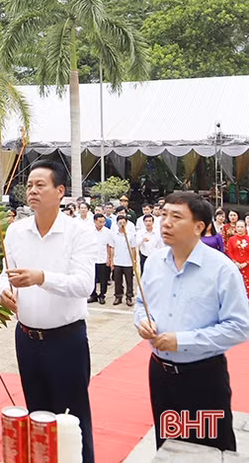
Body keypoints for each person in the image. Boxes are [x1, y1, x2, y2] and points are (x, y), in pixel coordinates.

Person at [0, 160, 96, 463]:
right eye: (29, 185)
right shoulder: (15, 231)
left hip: (65, 340)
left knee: (71, 418)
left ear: (60, 191)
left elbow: (84, 285)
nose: (33, 191)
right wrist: (5, 290)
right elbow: (7, 271)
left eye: (41, 185)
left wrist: (42, 278)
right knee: (36, 413)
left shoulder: (78, 232)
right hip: (27, 338)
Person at [136, 192, 249, 452]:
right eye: (163, 214)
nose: (165, 222)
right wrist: (143, 322)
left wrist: (182, 341)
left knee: (208, 449)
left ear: (199, 227)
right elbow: (143, 304)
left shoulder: (222, 269)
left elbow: (240, 326)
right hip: (161, 373)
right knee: (168, 447)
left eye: (176, 217)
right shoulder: (153, 263)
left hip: (203, 376)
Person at [111, 215, 137, 307]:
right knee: (117, 281)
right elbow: (112, 248)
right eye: (120, 223)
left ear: (126, 223)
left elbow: (133, 249)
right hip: (117, 261)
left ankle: (129, 297)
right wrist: (111, 261)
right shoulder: (114, 235)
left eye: (123, 223)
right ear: (117, 223)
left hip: (128, 262)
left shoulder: (130, 235)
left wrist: (134, 261)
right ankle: (118, 296)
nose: (122, 224)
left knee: (129, 281)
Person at [88, 213, 114, 305]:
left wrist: (109, 259)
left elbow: (109, 246)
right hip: (92, 259)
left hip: (103, 259)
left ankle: (102, 295)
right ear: (95, 221)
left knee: (103, 279)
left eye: (103, 222)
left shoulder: (107, 232)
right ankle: (93, 295)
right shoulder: (89, 231)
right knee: (92, 279)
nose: (102, 224)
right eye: (100, 222)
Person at [225, 220, 249, 298]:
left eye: (242, 227)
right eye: (238, 226)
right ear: (235, 228)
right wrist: (235, 262)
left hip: (247, 267)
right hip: (235, 266)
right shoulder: (231, 239)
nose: (240, 228)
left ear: (245, 228)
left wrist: (246, 263)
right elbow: (229, 252)